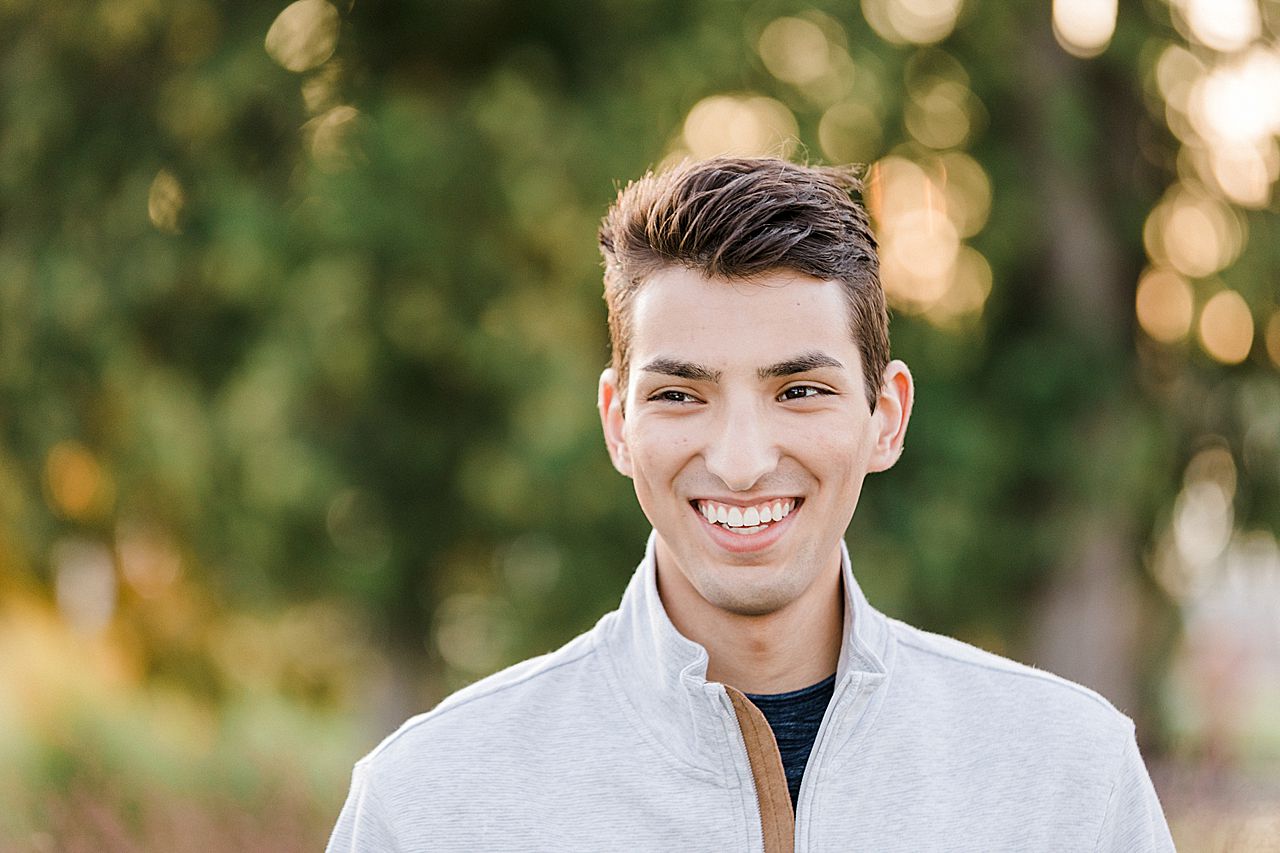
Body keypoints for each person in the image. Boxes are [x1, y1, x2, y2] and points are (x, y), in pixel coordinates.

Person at [327, 157, 1175, 852]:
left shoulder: (1071, 780)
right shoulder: (428, 805)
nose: (740, 462)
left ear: (887, 417)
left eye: (799, 389)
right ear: (618, 423)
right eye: (680, 395)